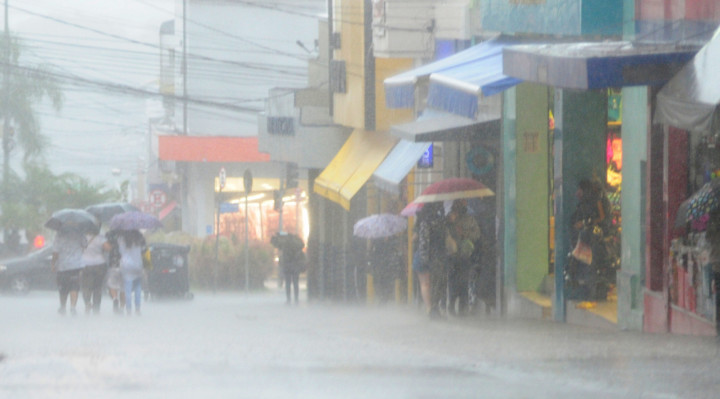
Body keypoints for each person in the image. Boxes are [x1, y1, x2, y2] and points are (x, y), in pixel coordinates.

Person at [445, 200, 481, 316]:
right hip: (452, 256)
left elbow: (476, 234)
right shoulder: (449, 219)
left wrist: (464, 234)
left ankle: (463, 308)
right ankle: (451, 304)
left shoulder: (469, 219)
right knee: (453, 282)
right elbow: (445, 235)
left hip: (465, 255)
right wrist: (451, 225)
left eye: (462, 203)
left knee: (464, 282)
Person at [416, 202, 446, 318]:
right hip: (438, 256)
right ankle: (434, 307)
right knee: (437, 283)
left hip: (432, 257)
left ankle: (433, 308)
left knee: (431, 283)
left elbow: (424, 242)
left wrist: (424, 258)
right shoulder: (439, 221)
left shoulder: (426, 222)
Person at [51, 229, 87, 316]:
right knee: (74, 286)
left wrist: (53, 263)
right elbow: (85, 245)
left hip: (63, 265)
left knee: (63, 287)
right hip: (76, 264)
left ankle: (63, 307)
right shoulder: (80, 232)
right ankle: (73, 307)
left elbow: (55, 252)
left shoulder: (59, 234)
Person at [116, 229, 146, 316]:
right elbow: (144, 250)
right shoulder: (139, 238)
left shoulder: (121, 238)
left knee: (127, 289)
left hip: (126, 265)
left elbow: (120, 251)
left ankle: (128, 309)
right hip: (137, 264)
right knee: (138, 288)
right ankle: (137, 309)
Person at [81, 230, 111, 315]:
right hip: (100, 264)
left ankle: (87, 303)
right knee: (97, 288)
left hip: (85, 264)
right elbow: (108, 248)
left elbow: (79, 248)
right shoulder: (101, 237)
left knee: (86, 286)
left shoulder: (82, 237)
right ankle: (96, 309)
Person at [271, 232, 305, 305]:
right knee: (295, 283)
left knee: (288, 283)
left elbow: (277, 245)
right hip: (295, 265)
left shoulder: (285, 243)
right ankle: (296, 299)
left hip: (287, 265)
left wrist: (277, 237)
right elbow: (302, 245)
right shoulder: (296, 243)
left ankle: (288, 299)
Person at [370, 235, 402, 304]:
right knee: (380, 279)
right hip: (379, 261)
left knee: (387, 279)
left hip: (388, 261)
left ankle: (386, 296)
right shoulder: (376, 237)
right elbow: (372, 247)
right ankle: (382, 296)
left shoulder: (392, 236)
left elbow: (396, 246)